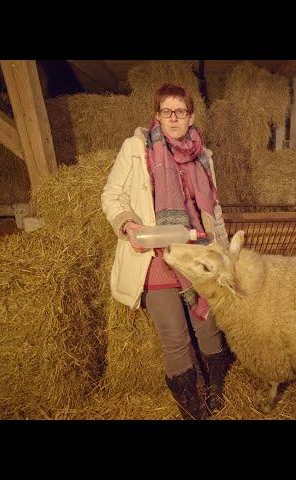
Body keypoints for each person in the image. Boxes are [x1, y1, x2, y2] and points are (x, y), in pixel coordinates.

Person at [101, 84, 231, 420]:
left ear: (191, 116)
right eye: (166, 111)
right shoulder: (136, 148)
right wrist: (128, 225)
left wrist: (224, 253)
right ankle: (190, 404)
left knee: (207, 323)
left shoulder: (204, 156)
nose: (174, 118)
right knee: (174, 334)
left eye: (181, 111)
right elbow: (112, 196)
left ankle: (217, 386)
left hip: (197, 252)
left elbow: (212, 210)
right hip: (156, 255)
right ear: (157, 115)